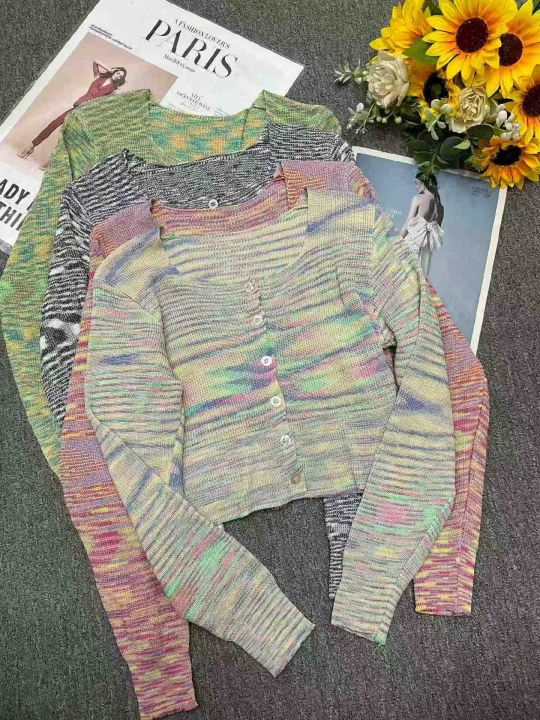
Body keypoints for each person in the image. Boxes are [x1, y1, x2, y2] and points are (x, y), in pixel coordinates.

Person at [19, 63, 127, 158]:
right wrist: (109, 70)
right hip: (77, 107)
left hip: (85, 113)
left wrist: (117, 87)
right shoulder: (98, 77)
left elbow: (110, 100)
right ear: (114, 71)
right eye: (118, 73)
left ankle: (53, 161)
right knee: (54, 124)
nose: (118, 76)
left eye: (121, 76)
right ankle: (32, 146)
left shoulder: (113, 89)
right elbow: (95, 61)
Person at [400, 172, 444, 277]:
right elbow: (436, 233)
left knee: (403, 276)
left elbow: (407, 223)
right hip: (426, 251)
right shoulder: (441, 207)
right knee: (418, 280)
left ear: (423, 183)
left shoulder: (418, 199)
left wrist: (396, 242)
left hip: (412, 244)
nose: (415, 187)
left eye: (416, 183)